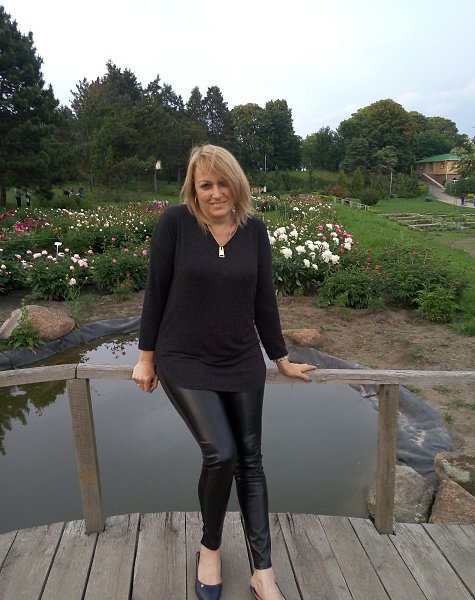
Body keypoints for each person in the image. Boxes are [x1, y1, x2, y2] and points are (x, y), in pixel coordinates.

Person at [132, 144, 316, 600]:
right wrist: (146, 357)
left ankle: (263, 572)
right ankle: (210, 548)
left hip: (240, 358)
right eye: (205, 185)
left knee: (251, 460)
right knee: (221, 453)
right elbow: (155, 291)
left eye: (223, 183)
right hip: (184, 358)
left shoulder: (255, 231)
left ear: (238, 185)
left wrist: (280, 357)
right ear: (193, 189)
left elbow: (264, 299)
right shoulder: (175, 224)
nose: (215, 193)